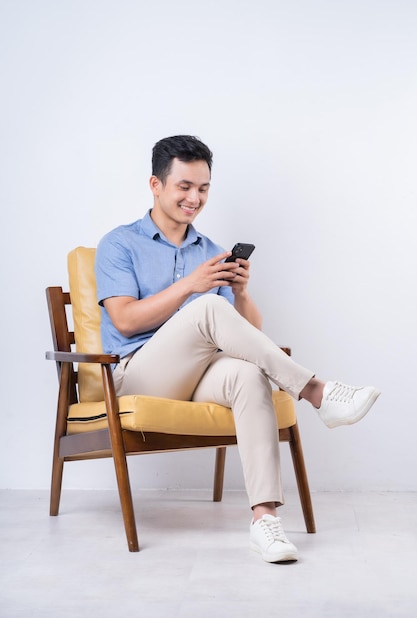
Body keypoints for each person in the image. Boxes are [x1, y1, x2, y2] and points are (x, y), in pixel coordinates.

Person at [95, 135, 380, 564]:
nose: (195, 198)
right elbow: (125, 320)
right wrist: (192, 285)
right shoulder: (119, 243)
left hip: (197, 374)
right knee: (208, 304)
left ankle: (264, 522)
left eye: (204, 188)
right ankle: (317, 392)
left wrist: (243, 294)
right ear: (155, 185)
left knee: (248, 374)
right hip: (135, 374)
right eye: (184, 187)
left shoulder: (211, 252)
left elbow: (246, 338)